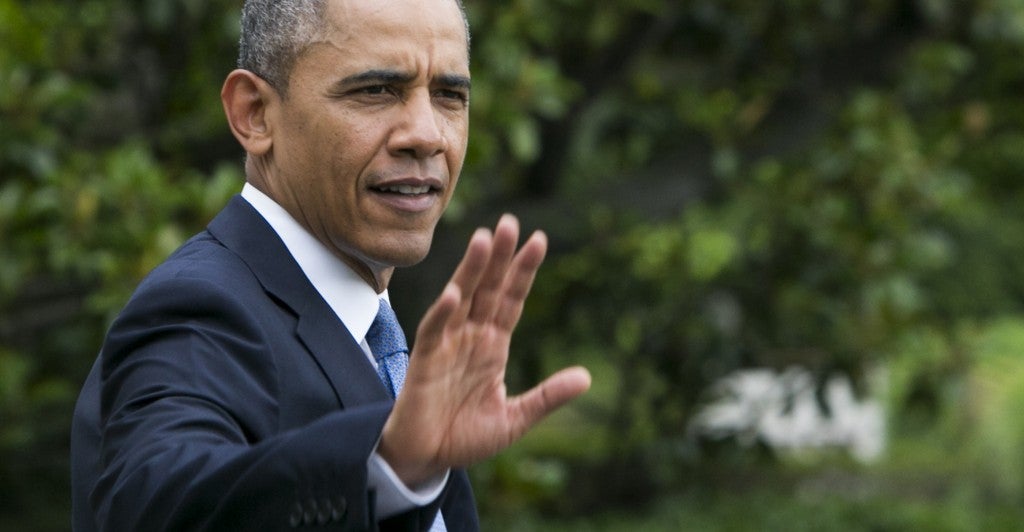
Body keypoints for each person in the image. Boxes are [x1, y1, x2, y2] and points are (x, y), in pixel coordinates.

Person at [69, 0, 592, 530]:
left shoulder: (375, 336)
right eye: (376, 91)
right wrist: (386, 462)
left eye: (448, 95)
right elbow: (158, 503)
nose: (427, 135)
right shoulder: (199, 307)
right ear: (254, 114)